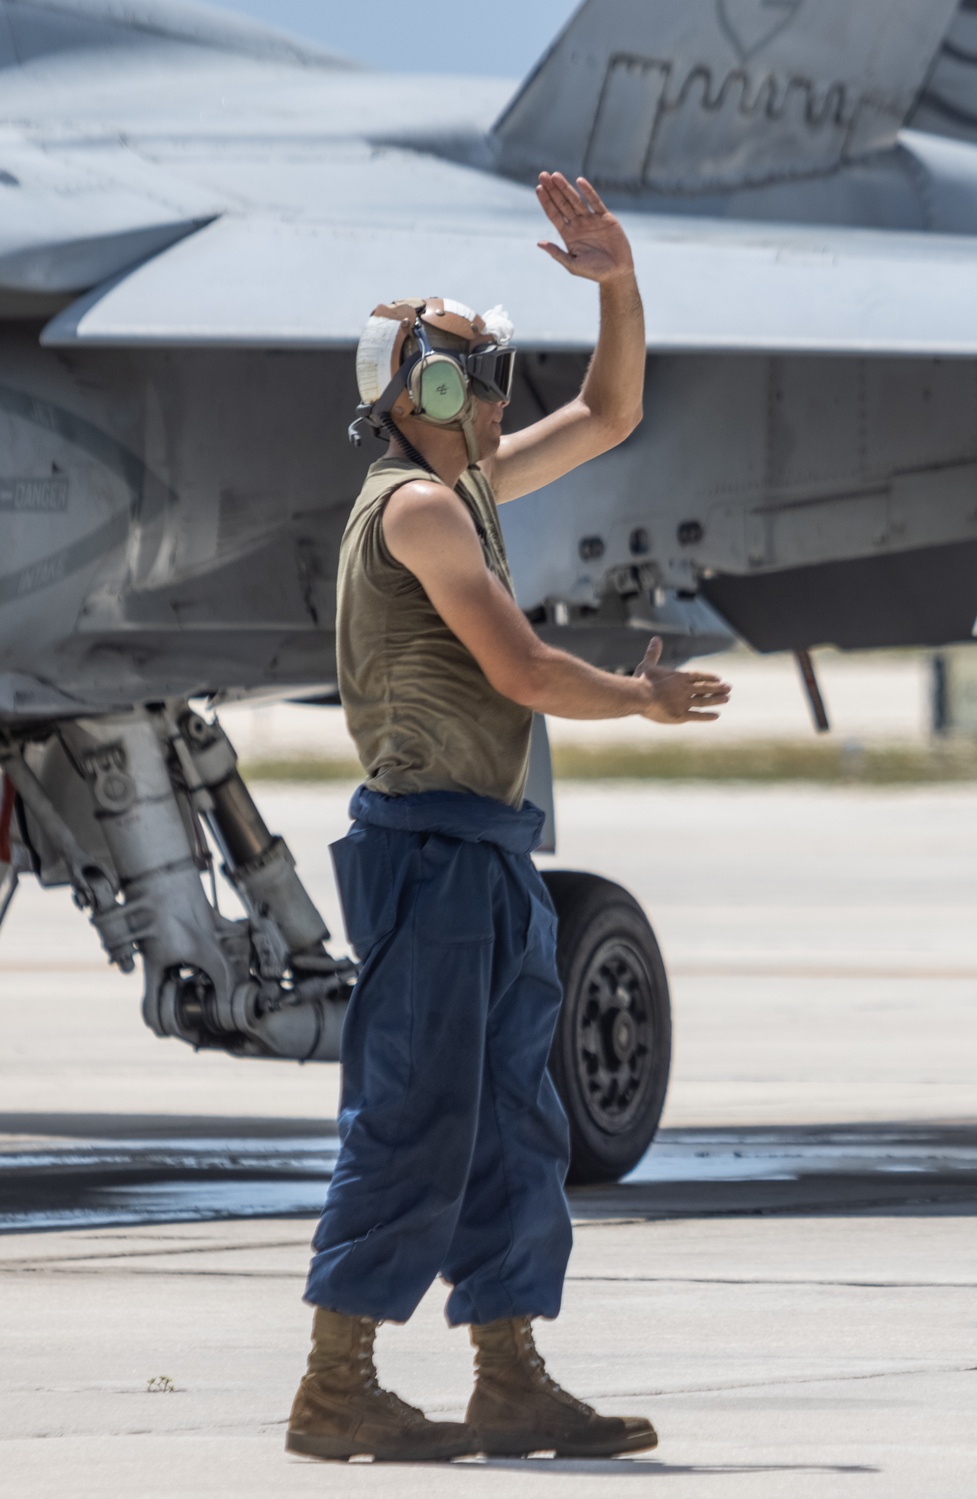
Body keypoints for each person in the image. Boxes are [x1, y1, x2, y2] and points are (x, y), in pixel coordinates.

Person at [286, 171, 731, 1464]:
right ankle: (336, 1384)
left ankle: (509, 1373)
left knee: (515, 1120)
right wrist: (638, 701)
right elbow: (524, 674)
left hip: (483, 847)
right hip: (424, 848)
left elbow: (614, 408)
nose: (495, 397)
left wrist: (623, 283)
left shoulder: (466, 487)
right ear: (416, 395)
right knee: (416, 1112)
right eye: (475, 376)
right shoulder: (421, 509)